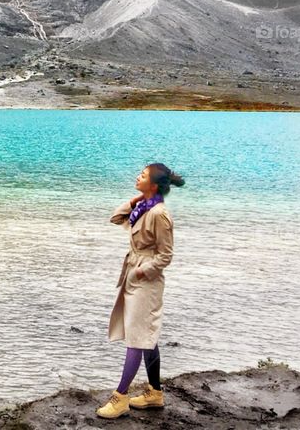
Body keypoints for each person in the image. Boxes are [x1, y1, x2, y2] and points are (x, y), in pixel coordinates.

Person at [96, 163, 184, 419]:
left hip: (146, 280)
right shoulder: (142, 207)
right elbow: (115, 218)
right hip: (134, 273)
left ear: (154, 185)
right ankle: (155, 393)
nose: (138, 176)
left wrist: (142, 271)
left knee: (136, 337)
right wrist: (135, 199)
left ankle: (120, 397)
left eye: (143, 175)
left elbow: (166, 255)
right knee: (146, 336)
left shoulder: (159, 214)